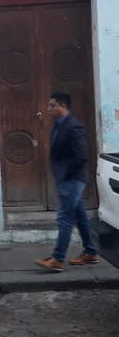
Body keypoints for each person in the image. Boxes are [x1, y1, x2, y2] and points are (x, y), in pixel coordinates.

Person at [35, 92, 98, 272]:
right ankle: (91, 252)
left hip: (72, 180)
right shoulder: (58, 125)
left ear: (62, 106)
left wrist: (67, 175)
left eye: (51, 105)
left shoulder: (74, 126)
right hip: (66, 179)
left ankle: (58, 258)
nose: (48, 109)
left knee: (65, 218)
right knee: (79, 217)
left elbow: (81, 156)